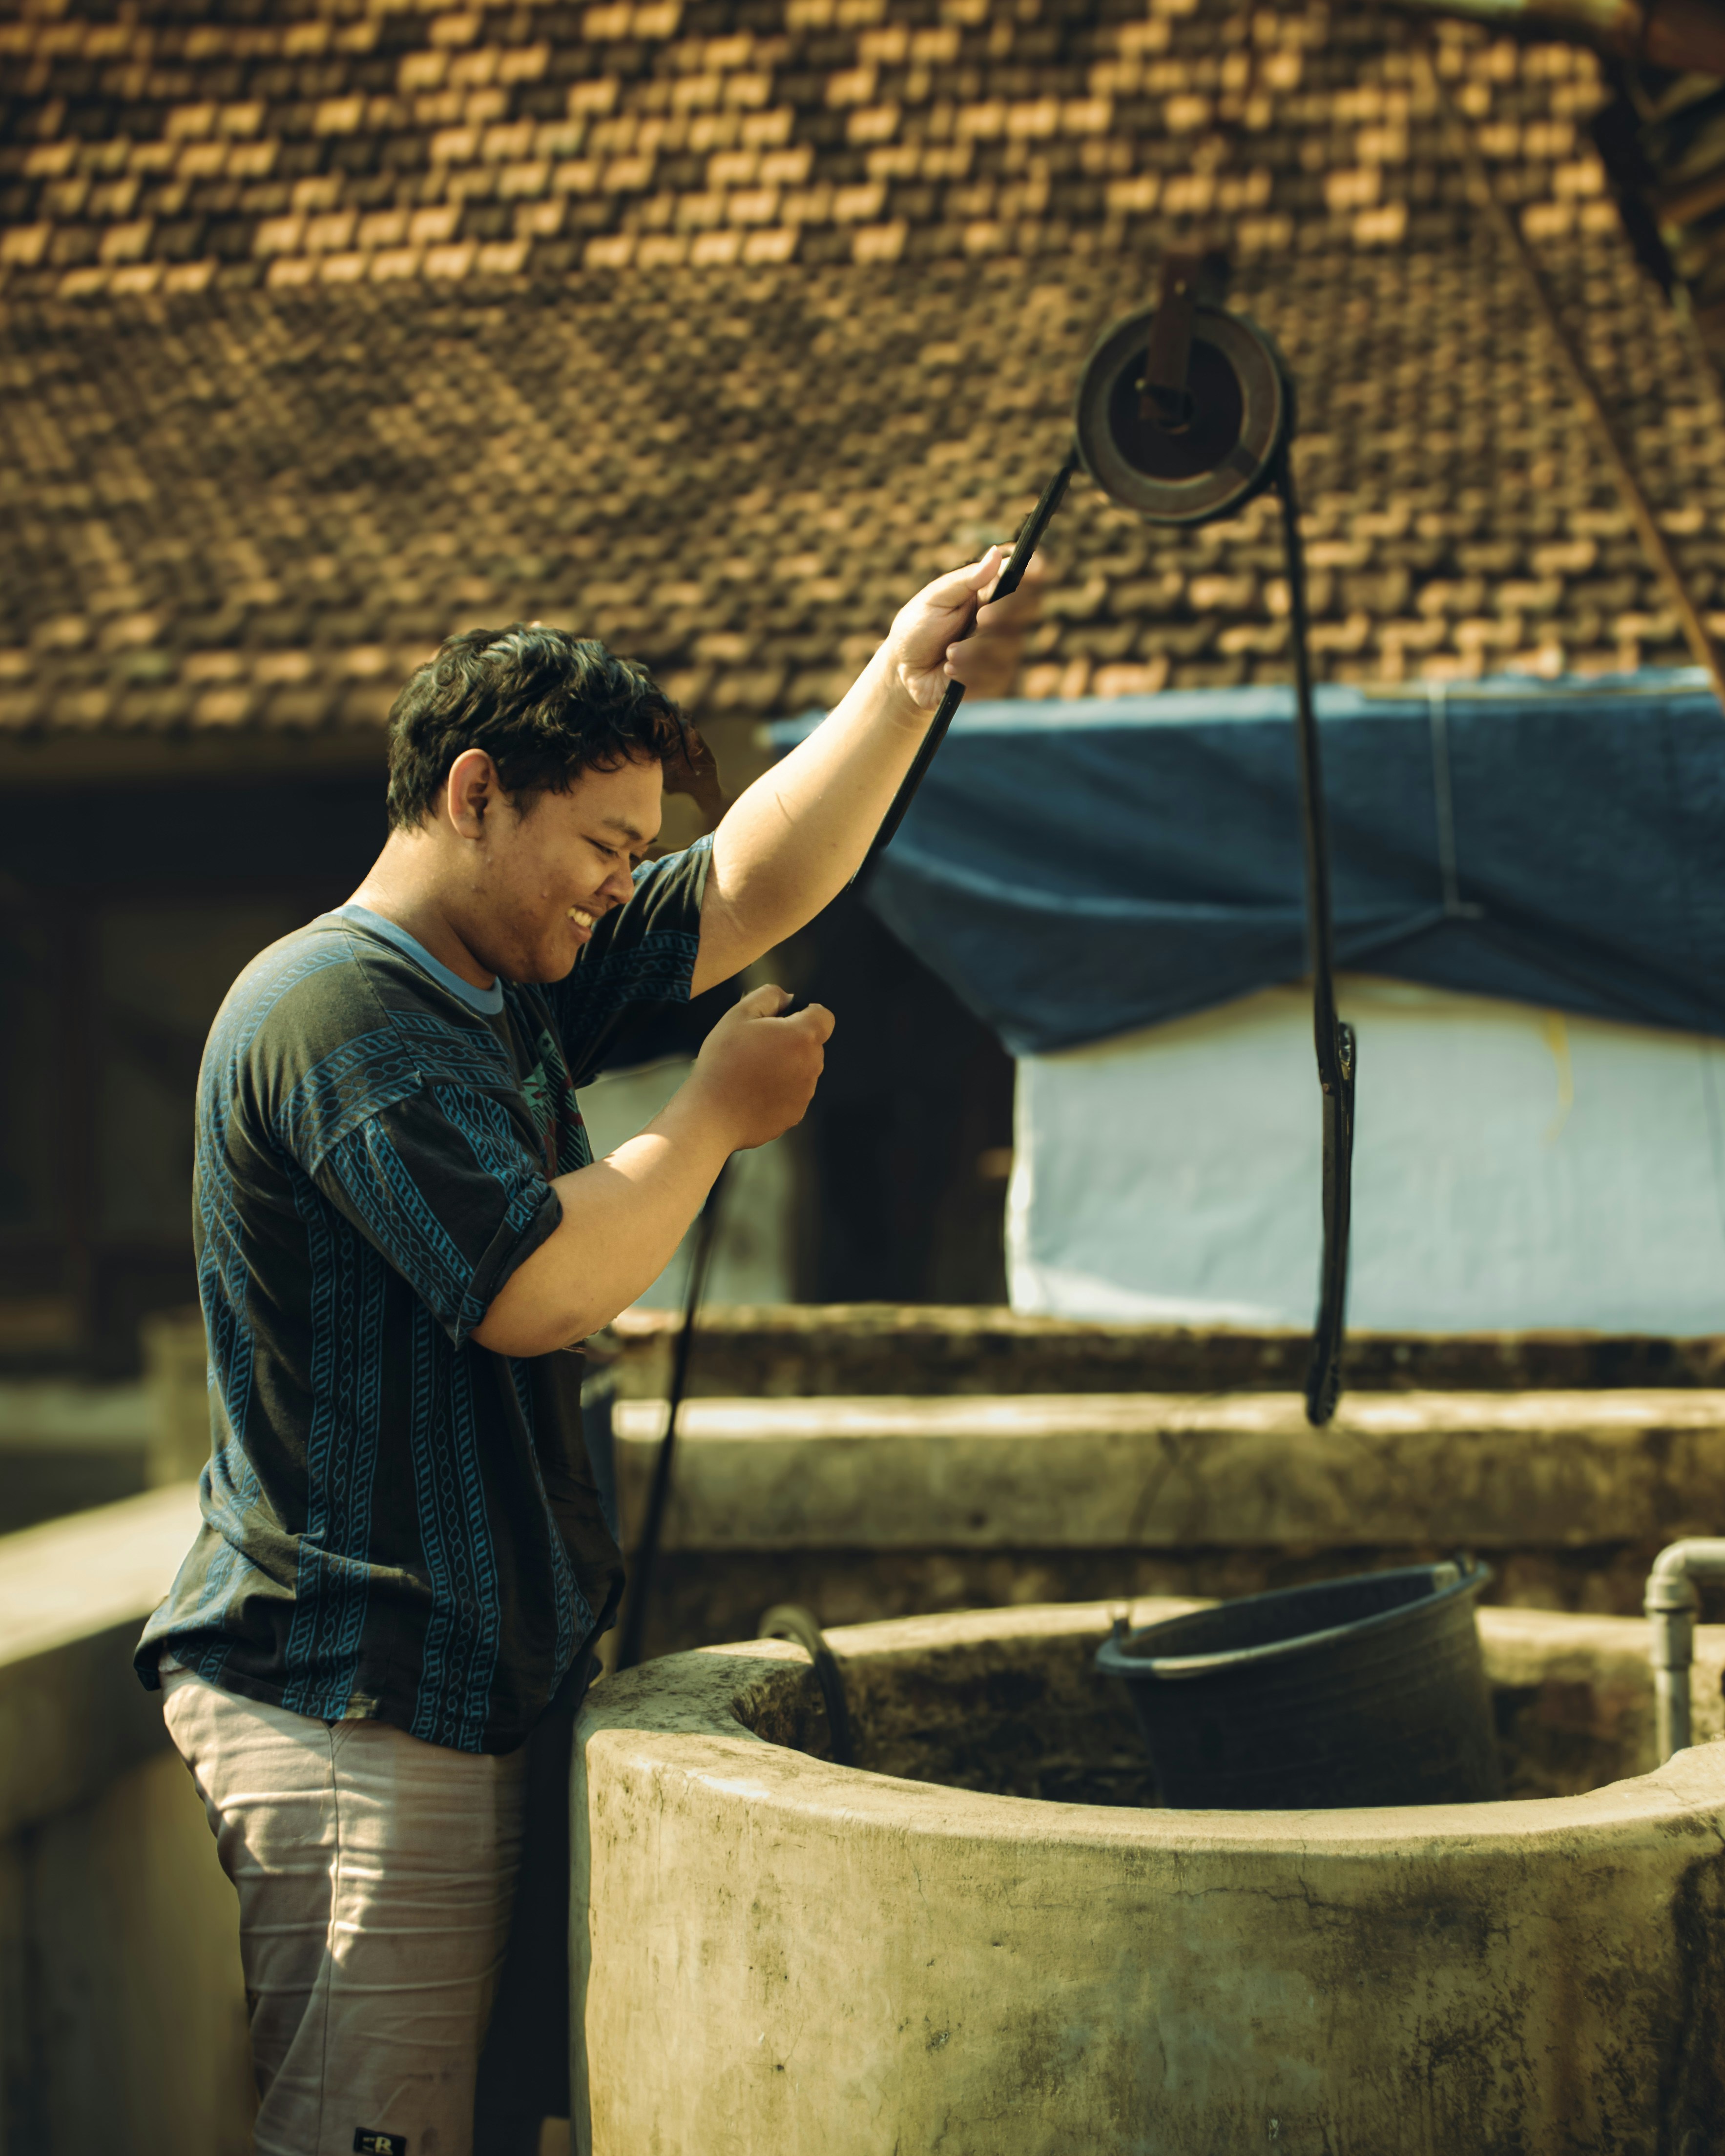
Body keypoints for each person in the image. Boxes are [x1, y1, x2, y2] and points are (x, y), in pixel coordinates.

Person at [134, 543, 1040, 2156]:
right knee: (368, 2133)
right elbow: (535, 1287)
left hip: (456, 1688)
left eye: (636, 850)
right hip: (361, 1698)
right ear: (475, 793)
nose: (624, 881)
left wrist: (902, 685)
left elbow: (750, 881)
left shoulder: (497, 984)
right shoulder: (342, 1013)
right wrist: (708, 1117)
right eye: (603, 845)